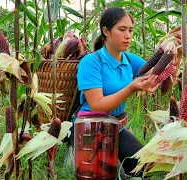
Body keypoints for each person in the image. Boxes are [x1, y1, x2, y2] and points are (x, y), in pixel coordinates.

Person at [69, 7, 160, 178]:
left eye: (131, 30)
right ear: (106, 31)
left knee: (145, 168)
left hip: (116, 127)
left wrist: (170, 52)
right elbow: (97, 104)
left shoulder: (129, 59)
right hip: (90, 130)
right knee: (110, 175)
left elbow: (157, 73)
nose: (128, 36)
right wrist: (131, 88)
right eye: (122, 29)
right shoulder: (91, 62)